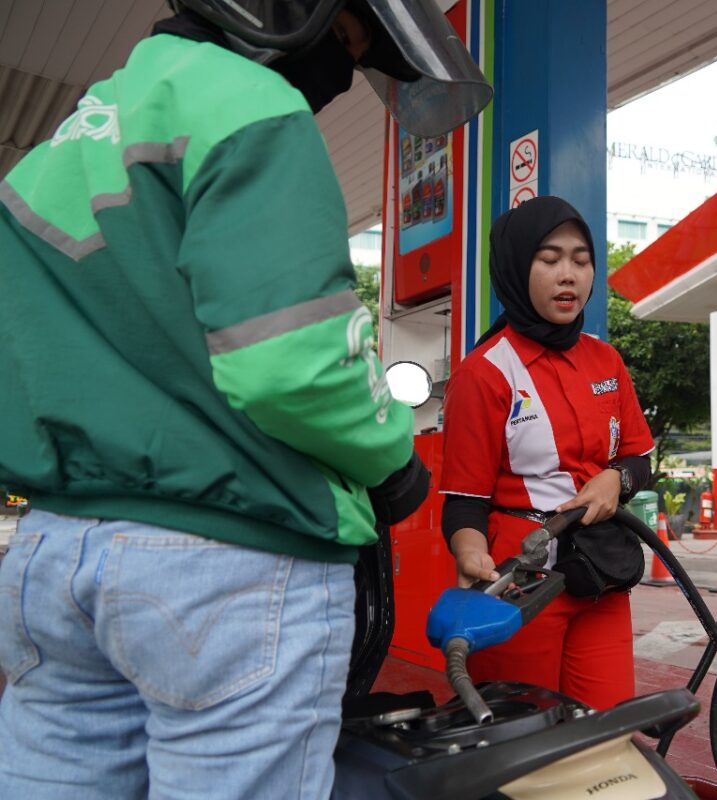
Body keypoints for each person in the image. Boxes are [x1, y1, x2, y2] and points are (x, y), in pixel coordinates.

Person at [0, 1, 489, 797]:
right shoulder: (251, 101)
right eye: (346, 36)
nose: (343, 68)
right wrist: (391, 456)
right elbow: (292, 366)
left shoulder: (61, 147)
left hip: (55, 556)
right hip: (226, 564)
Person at [440, 196, 655, 711]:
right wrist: (470, 554)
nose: (568, 276)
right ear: (517, 266)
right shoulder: (484, 373)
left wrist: (616, 481)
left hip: (600, 576)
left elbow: (639, 461)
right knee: (520, 732)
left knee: (606, 729)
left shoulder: (606, 360)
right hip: (520, 583)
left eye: (581, 261)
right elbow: (464, 503)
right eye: (550, 259)